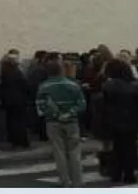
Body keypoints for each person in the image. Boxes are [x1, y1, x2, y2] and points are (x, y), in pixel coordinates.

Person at [36, 60, 86, 188]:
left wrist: (56, 114)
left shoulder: (44, 86)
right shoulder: (73, 84)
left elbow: (41, 105)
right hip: (72, 121)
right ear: (62, 70)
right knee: (74, 151)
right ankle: (77, 180)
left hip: (53, 122)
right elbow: (82, 104)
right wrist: (69, 113)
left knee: (59, 152)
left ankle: (64, 180)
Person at [101, 59, 138, 184]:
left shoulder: (108, 86)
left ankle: (116, 173)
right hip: (131, 121)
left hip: (114, 120)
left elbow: (105, 104)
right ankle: (129, 174)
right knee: (130, 148)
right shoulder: (134, 87)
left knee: (117, 147)